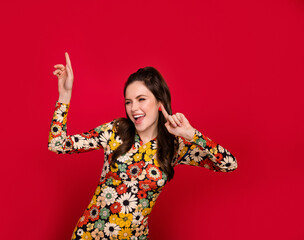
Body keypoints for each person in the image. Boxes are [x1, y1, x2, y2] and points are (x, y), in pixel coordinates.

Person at [48, 52, 238, 239]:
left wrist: (192, 135)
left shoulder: (174, 146)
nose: (133, 108)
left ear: (160, 103)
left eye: (141, 99)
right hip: (91, 235)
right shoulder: (115, 131)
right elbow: (57, 144)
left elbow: (229, 164)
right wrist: (64, 95)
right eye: (128, 102)